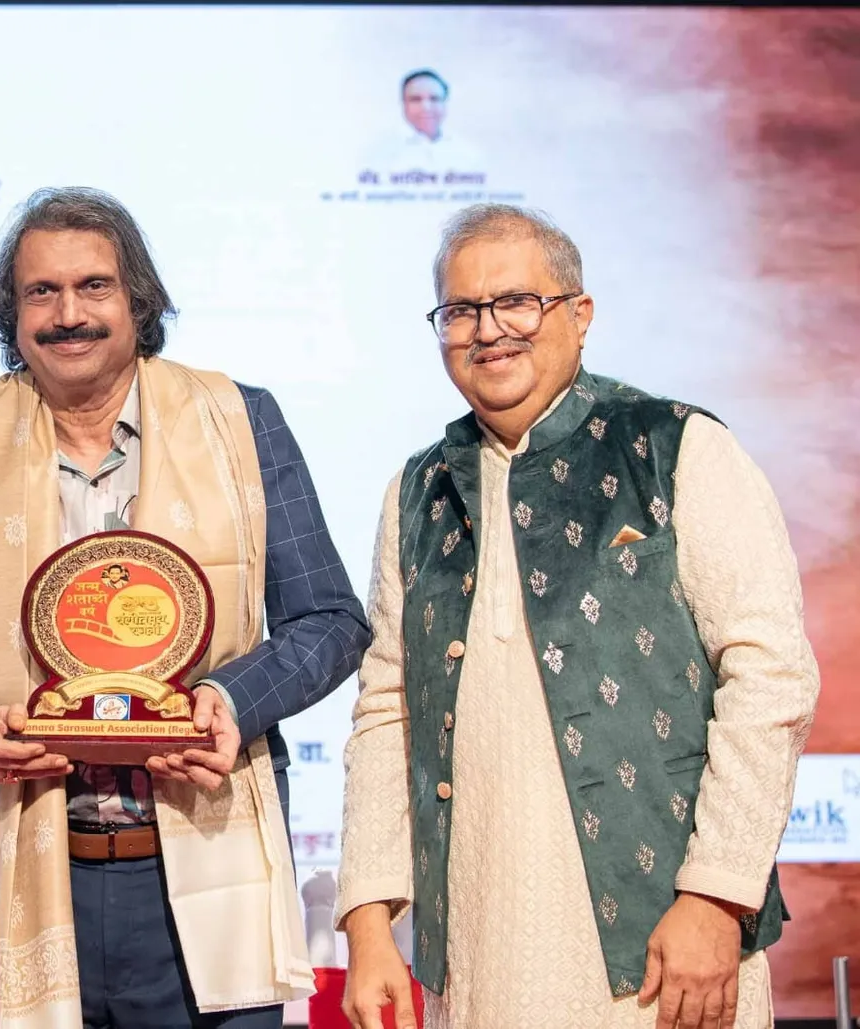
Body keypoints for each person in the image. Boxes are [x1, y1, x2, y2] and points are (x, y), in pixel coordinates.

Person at [0, 186, 370, 1029]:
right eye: (41, 292)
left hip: (198, 874)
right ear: (12, 315)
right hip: (15, 877)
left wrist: (222, 704)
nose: (68, 314)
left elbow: (329, 618)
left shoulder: (239, 425)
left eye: (93, 287)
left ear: (138, 303)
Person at [336, 203, 820, 1029]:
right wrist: (369, 921)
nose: (488, 331)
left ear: (578, 314)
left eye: (516, 302)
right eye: (460, 311)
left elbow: (769, 672)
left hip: (664, 946)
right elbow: (387, 711)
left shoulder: (672, 448)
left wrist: (716, 894)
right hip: (481, 943)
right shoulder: (416, 491)